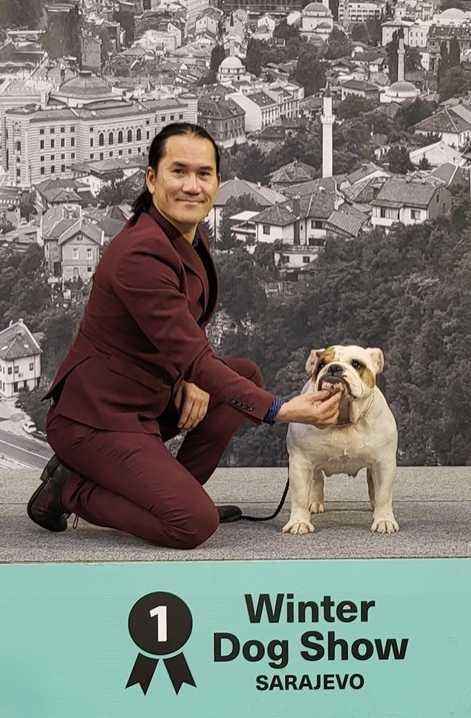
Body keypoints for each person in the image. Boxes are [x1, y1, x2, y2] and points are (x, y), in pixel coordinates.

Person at [26, 122, 342, 549]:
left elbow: (178, 332)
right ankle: (70, 490)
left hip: (147, 400)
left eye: (203, 173)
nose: (192, 186)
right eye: (178, 172)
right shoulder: (140, 252)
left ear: (217, 182)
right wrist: (282, 411)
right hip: (95, 420)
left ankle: (169, 496)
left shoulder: (186, 237)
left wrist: (189, 379)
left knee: (244, 375)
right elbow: (191, 351)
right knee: (192, 524)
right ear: (152, 179)